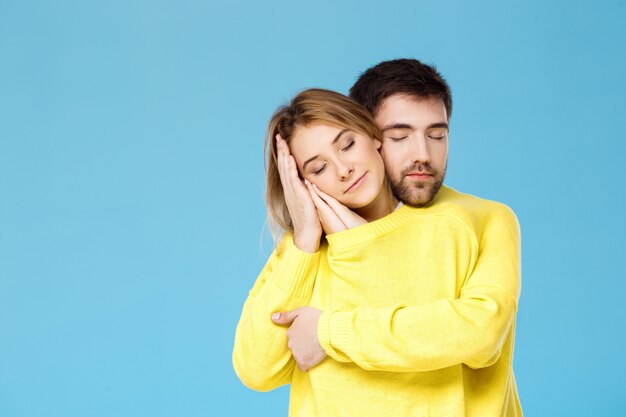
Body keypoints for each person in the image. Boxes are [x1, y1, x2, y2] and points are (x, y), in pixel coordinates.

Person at [262, 59, 523, 416]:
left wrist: (328, 330)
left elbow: (479, 334)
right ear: (375, 136)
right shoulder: (304, 249)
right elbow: (257, 369)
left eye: (437, 135)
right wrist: (305, 239)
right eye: (400, 136)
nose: (422, 155)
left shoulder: (485, 219)